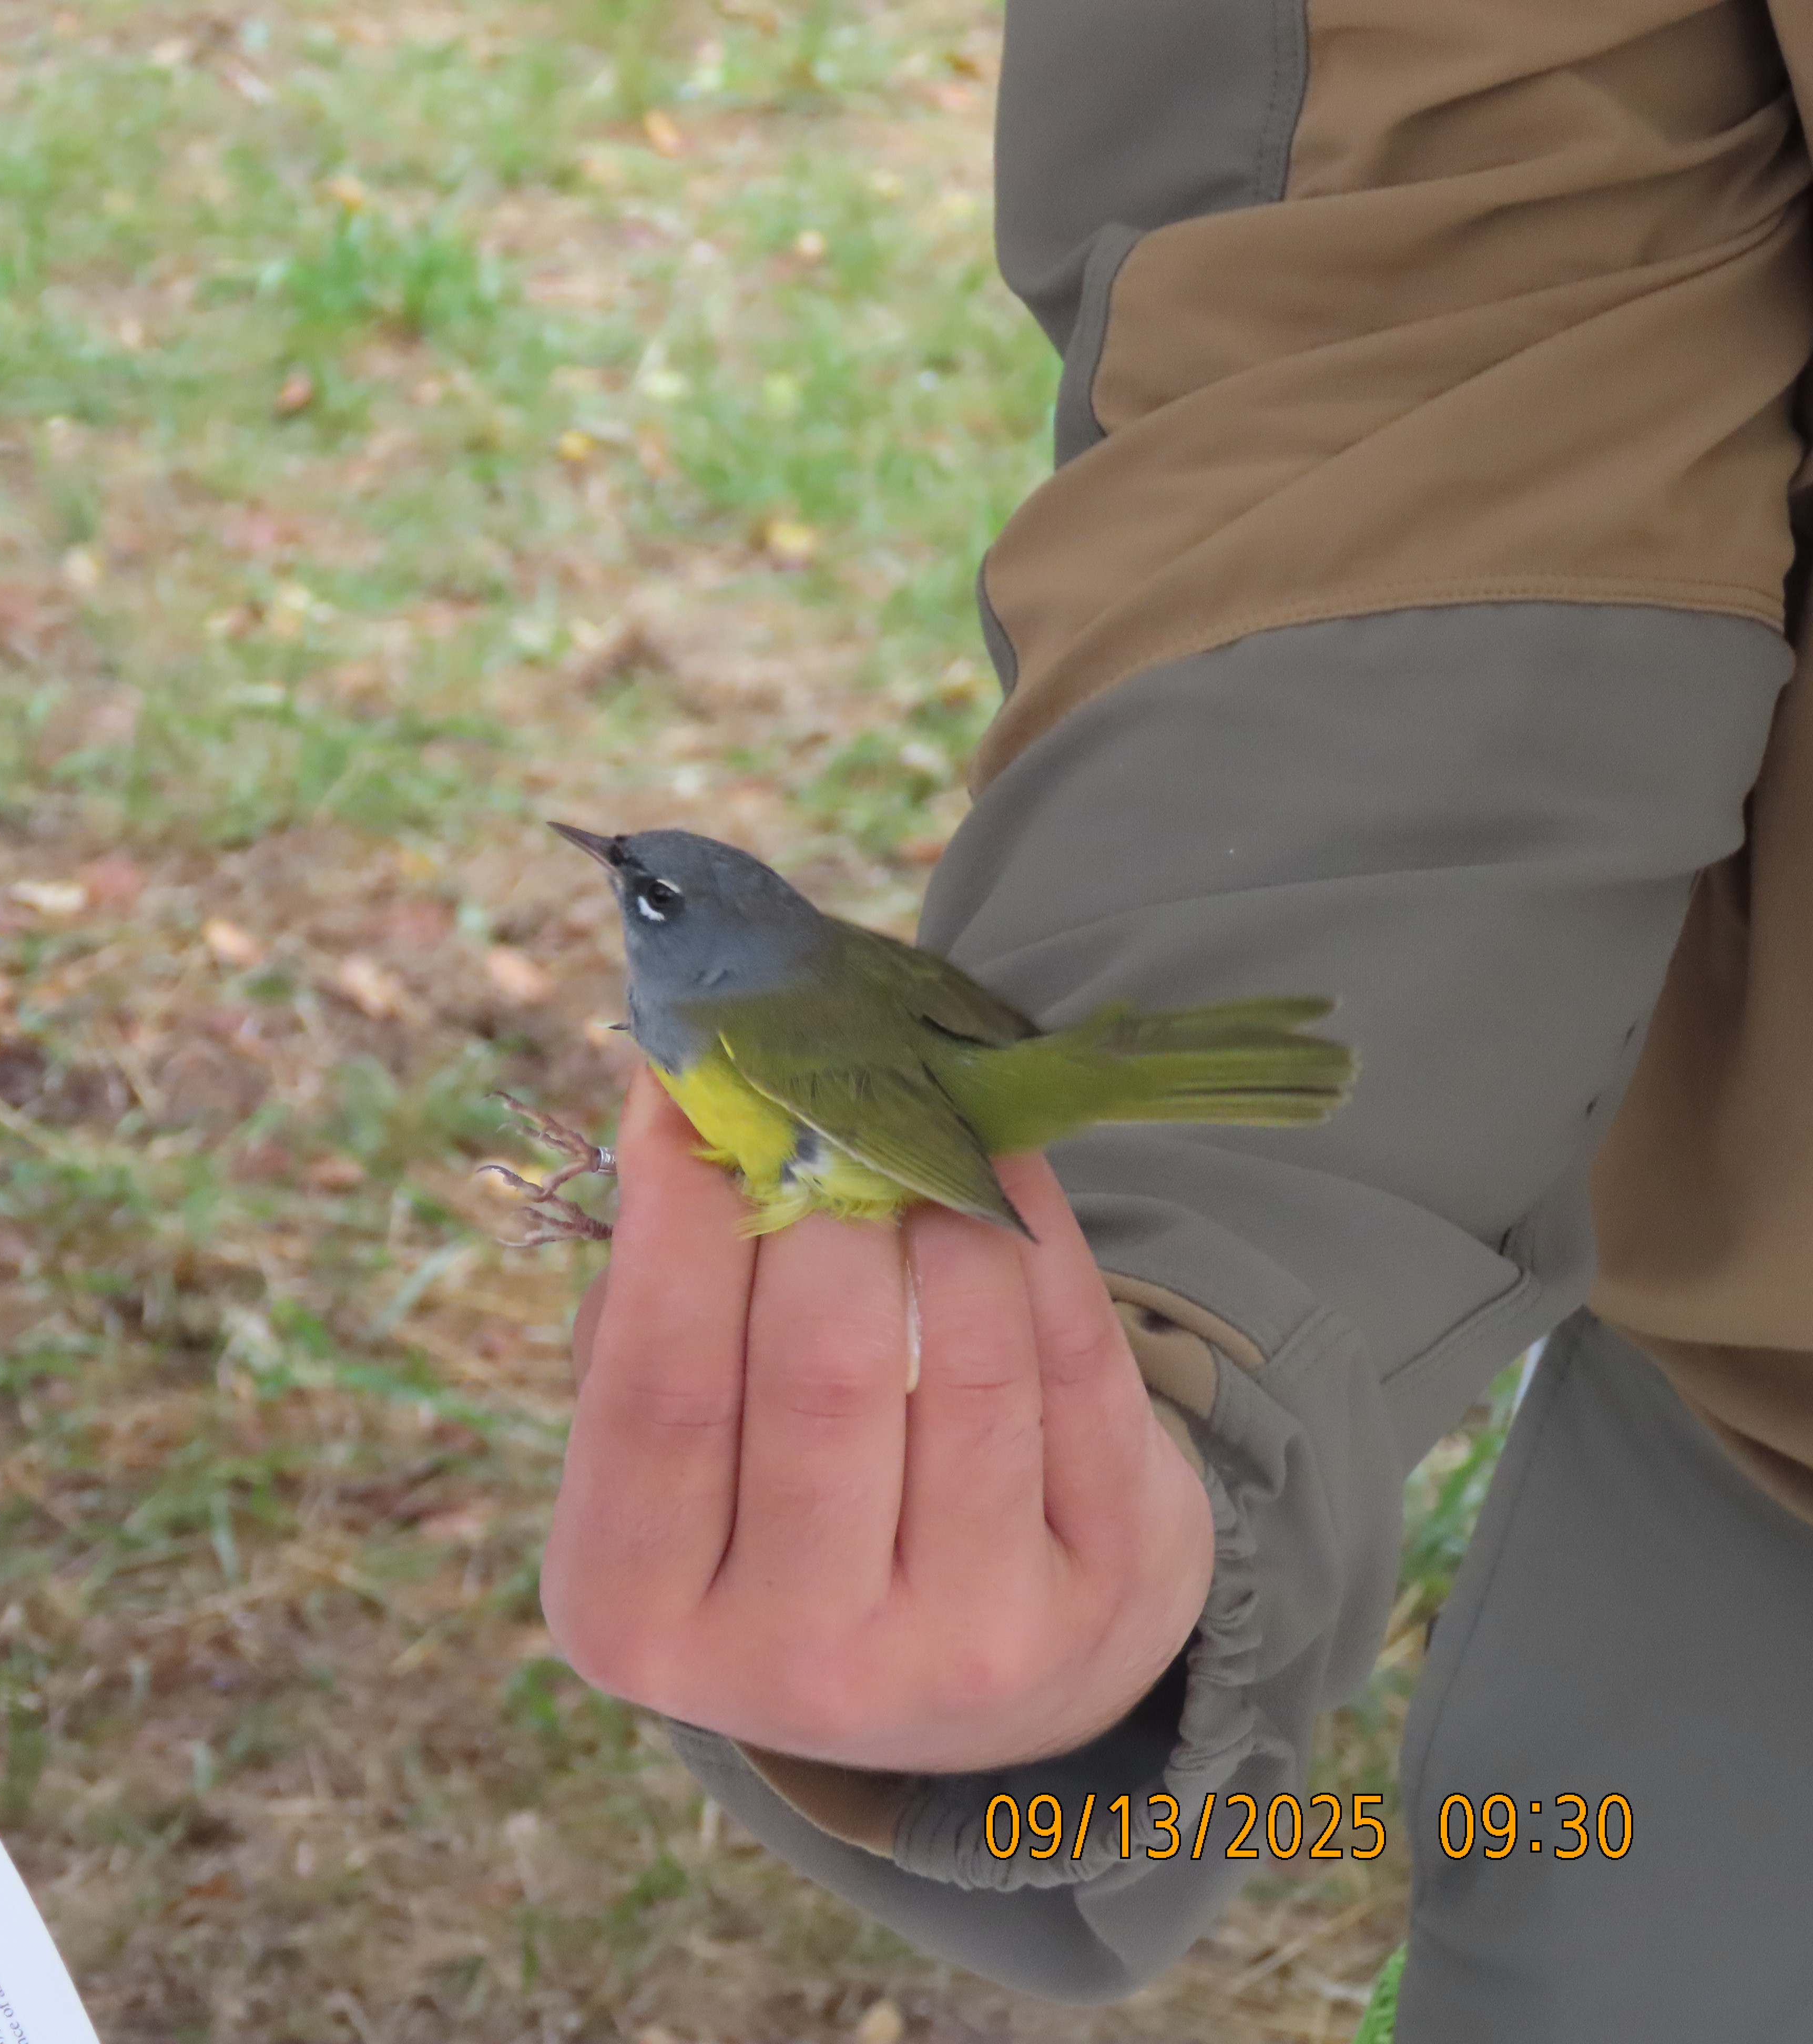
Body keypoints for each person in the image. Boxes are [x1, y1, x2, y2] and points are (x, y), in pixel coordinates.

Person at [539, 2, 1813, 2037]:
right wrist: (1142, 1369)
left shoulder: (759, 1021)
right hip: (1767, 1500)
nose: (613, 888)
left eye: (639, 883)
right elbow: (1454, 273)